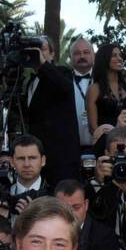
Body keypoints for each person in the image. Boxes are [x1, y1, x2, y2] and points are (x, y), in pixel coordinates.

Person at [24, 35, 83, 188]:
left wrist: (43, 64)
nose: (38, 53)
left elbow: (66, 87)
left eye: (42, 49)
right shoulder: (30, 82)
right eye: (34, 50)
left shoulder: (63, 72)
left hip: (62, 158)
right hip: (39, 157)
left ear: (52, 54)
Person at [86, 43, 126, 135]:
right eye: (114, 55)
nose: (119, 58)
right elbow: (93, 128)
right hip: (105, 145)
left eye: (120, 55)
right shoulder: (94, 89)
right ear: (104, 58)